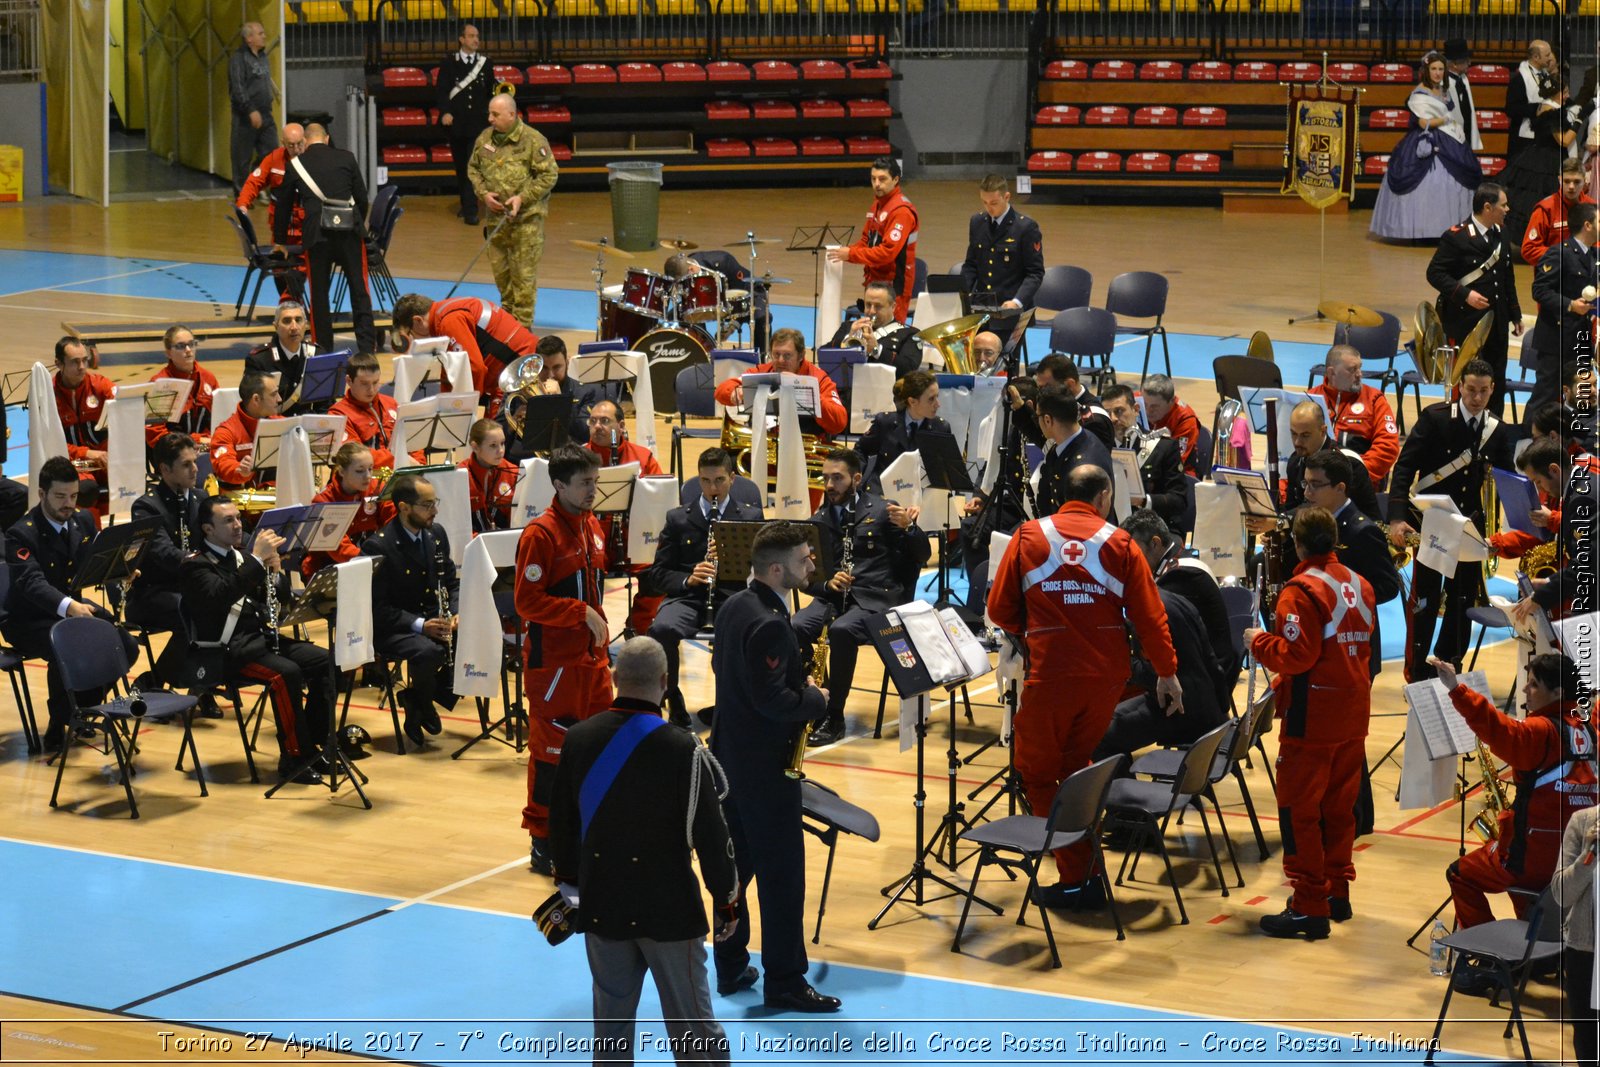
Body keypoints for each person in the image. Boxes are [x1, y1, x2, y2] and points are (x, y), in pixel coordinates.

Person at [988, 465, 1181, 909]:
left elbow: (1000, 611)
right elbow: (1151, 619)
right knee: (1078, 767)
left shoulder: (1027, 537)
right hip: (1105, 680)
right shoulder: (1121, 543)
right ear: (1104, 496)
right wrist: (1167, 673)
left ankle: (1077, 876)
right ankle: (1088, 871)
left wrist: (1036, 631)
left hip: (1052, 675)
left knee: (1035, 771)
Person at [547, 637, 737, 1065]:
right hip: (668, 910)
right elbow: (712, 836)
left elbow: (560, 828)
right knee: (694, 1030)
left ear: (614, 678)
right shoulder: (685, 748)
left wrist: (574, 893)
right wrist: (727, 902)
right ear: (666, 683)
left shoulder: (577, 739)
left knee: (611, 1030)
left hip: (603, 906)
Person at [709, 521, 838, 1013]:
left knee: (735, 871)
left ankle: (729, 965)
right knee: (783, 881)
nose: (812, 565)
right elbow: (774, 701)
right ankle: (784, 981)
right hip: (765, 770)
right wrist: (815, 699)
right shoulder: (768, 622)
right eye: (806, 559)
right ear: (779, 568)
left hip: (729, 762)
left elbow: (729, 675)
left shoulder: (734, 606)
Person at [1243, 506, 1375, 939]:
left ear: (1298, 545)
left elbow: (1298, 657)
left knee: (1300, 811)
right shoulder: (1361, 584)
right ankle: (1337, 893)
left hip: (1313, 717)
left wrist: (1259, 642)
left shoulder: (1299, 592)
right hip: (1354, 713)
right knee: (1339, 810)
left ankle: (1308, 906)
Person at [1431, 654, 1596, 954]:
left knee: (1461, 873)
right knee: (1530, 887)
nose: (1525, 691)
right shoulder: (1590, 729)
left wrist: (1457, 689)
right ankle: (1539, 950)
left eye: (1534, 685)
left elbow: (1497, 727)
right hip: (1578, 857)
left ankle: (1486, 956)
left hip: (1535, 857)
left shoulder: (1540, 732)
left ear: (1558, 693)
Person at [181, 495, 334, 783]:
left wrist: (275, 573)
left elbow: (282, 600)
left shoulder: (241, 557)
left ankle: (315, 746)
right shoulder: (195, 565)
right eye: (228, 520)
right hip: (226, 652)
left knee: (326, 663)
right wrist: (255, 560)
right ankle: (294, 757)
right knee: (285, 675)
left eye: (238, 518)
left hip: (260, 642)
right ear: (207, 529)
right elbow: (219, 596)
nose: (238, 525)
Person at [516, 445, 612, 875]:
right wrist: (579, 613)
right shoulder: (541, 535)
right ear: (559, 485)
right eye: (584, 483)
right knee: (552, 754)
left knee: (597, 748)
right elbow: (526, 601)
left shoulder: (592, 524)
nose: (593, 490)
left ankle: (587, 830)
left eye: (595, 481)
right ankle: (543, 841)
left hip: (591, 662)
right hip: (553, 667)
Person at [1386, 359, 1513, 679]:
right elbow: (1404, 469)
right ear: (1461, 387)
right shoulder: (1435, 419)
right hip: (1433, 524)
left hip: (1470, 527)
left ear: (1492, 390)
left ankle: (1448, 666)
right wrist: (1398, 518)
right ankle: (1416, 670)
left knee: (1462, 600)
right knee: (1425, 599)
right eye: (1471, 390)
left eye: (1484, 391)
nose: (1477, 398)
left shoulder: (1495, 429)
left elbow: (1508, 476)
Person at [794, 448, 930, 746]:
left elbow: (922, 554)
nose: (829, 485)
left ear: (856, 479)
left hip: (876, 598)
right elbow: (807, 578)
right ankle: (818, 701)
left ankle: (835, 716)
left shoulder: (883, 510)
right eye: (826, 478)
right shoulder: (818, 519)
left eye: (837, 478)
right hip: (833, 599)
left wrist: (910, 528)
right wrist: (827, 584)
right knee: (796, 626)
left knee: (842, 631)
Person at [2, 457, 137, 752]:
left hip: (71, 610)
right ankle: (59, 719)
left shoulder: (82, 521)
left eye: (73, 496)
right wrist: (69, 607)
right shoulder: (20, 533)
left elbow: (94, 561)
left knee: (126, 646)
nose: (68, 504)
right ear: (41, 494)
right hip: (29, 620)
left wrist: (119, 571)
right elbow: (31, 583)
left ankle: (80, 710)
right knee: (65, 647)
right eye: (60, 497)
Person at [1092, 510, 1228, 761]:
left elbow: (1161, 672)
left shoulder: (1172, 584)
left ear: (1154, 544)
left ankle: (1125, 799)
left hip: (1182, 707)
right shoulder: (1173, 589)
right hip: (1206, 698)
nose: (1125, 560)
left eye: (1130, 552)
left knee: (1098, 735)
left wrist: (1121, 664)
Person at [643, 448, 764, 728]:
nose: (713, 488)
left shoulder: (749, 516)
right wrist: (688, 579)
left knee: (735, 633)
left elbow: (764, 566)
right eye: (706, 481)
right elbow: (658, 573)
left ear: (732, 479)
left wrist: (733, 554)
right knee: (662, 629)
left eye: (720, 480)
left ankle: (728, 705)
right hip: (688, 598)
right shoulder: (677, 518)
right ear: (699, 480)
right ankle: (672, 697)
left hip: (732, 598)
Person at [362, 473, 459, 748]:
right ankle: (423, 702)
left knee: (475, 639)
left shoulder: (436, 534)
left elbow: (451, 582)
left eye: (434, 503)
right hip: (396, 627)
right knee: (429, 651)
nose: (435, 510)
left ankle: (417, 698)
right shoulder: (378, 545)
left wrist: (455, 612)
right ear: (404, 507)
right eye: (427, 505)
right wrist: (420, 624)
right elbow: (376, 608)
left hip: (433, 618)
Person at [272, 123, 375, 355]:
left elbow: (283, 206)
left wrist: (279, 240)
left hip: (316, 236)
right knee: (360, 291)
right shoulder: (347, 157)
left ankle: (324, 349)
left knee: (319, 295)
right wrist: (355, 222)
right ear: (327, 139)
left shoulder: (295, 165)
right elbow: (361, 197)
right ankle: (367, 348)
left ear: (306, 142)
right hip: (349, 234)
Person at [1299, 450, 1402, 676]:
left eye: (1315, 484)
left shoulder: (1362, 531)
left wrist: (1342, 595)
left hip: (1355, 647)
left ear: (1340, 488)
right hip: (1319, 644)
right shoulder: (1312, 519)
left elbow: (1388, 586)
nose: (1307, 492)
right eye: (1305, 483)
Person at [1426, 183, 1522, 416]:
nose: (1507, 209)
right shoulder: (1456, 236)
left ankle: (1493, 428)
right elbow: (1435, 273)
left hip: (1496, 321)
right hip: (1465, 323)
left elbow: (1506, 276)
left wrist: (1515, 313)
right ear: (1487, 207)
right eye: (1503, 205)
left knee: (1496, 379)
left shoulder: (1502, 233)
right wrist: (1464, 294)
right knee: (1466, 380)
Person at [468, 93, 559, 328]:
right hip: (496, 223)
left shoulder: (532, 140)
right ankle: (507, 329)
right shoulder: (485, 139)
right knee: (502, 279)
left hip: (526, 223)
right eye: (489, 113)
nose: (490, 119)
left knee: (523, 282)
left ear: (512, 114)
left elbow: (549, 174)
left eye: (495, 114)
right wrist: (484, 194)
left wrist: (523, 198)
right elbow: (473, 169)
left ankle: (524, 332)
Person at [1369, 53, 1482, 242]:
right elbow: (1423, 123)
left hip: (1449, 138)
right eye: (1434, 69)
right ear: (1426, 71)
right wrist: (1445, 119)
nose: (1437, 73)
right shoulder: (1419, 93)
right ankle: (1421, 229)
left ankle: (1452, 228)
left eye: (1440, 69)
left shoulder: (1443, 90)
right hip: (1427, 140)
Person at [584, 398, 663, 635]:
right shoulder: (579, 457)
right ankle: (597, 633)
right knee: (583, 576)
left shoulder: (643, 457)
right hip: (591, 539)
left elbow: (660, 500)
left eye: (605, 421)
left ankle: (638, 628)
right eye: (593, 421)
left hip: (632, 538)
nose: (597, 426)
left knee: (658, 572)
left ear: (622, 426)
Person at [127, 433, 202, 674]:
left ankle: (204, 683)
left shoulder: (201, 498)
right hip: (153, 594)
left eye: (195, 461)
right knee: (197, 611)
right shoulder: (146, 506)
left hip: (192, 585)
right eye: (186, 464)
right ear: (165, 469)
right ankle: (155, 681)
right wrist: (205, 563)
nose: (195, 469)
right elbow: (163, 553)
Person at [391, 291, 541, 400]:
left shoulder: (449, 322)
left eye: (411, 332)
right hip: (522, 363)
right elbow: (453, 368)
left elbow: (474, 368)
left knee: (489, 436)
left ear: (418, 320)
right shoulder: (446, 309)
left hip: (519, 372)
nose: (414, 338)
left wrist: (464, 408)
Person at [1514, 437, 1598, 621]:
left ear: (1554, 470)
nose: (1539, 489)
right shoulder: (1582, 485)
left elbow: (1587, 565)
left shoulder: (1584, 499)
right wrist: (1549, 582)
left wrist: (1540, 598)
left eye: (1538, 481)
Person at [1529, 201, 1598, 423]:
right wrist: (1570, 305)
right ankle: (1527, 446)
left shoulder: (1594, 256)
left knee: (1581, 397)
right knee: (1545, 397)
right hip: (1555, 339)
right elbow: (1539, 290)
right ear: (1588, 225)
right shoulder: (1559, 253)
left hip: (1581, 337)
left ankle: (1576, 445)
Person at [713, 327, 848, 439]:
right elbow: (721, 391)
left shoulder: (819, 379)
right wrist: (735, 392)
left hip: (804, 451)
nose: (780, 361)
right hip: (766, 447)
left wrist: (811, 396)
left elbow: (839, 422)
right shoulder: (762, 372)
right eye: (776, 355)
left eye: (787, 355)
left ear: (801, 356)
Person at [826, 156, 917, 321]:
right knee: (872, 333)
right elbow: (865, 242)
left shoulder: (901, 212)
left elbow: (886, 253)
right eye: (873, 179)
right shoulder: (877, 204)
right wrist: (844, 252)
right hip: (874, 282)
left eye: (882, 179)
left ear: (896, 179)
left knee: (889, 335)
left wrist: (851, 255)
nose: (876, 184)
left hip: (893, 287)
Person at [1501, 76, 1579, 251]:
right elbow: (1564, 141)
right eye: (1564, 92)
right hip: (1547, 162)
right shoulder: (1552, 112)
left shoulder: (1546, 107)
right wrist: (1579, 121)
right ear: (1556, 93)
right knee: (1544, 199)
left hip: (1538, 157)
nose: (1567, 95)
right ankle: (1540, 242)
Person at [1307, 344, 1401, 484]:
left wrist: (1354, 474)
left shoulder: (1374, 399)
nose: (1359, 374)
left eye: (1360, 367)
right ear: (1332, 372)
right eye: (1352, 369)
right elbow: (1293, 447)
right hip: (1315, 484)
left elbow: (1388, 447)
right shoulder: (1310, 399)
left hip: (1358, 484)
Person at [1549, 801, 1598, 1066]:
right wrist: (1589, 855)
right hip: (1585, 952)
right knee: (1589, 1044)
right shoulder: (1582, 822)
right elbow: (1561, 895)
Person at [235, 122, 308, 300]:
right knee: (279, 269)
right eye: (291, 145)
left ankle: (289, 304)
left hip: (304, 230)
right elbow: (254, 181)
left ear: (305, 141)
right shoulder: (274, 159)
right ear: (283, 143)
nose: (297, 149)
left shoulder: (313, 161)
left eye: (300, 144)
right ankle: (289, 304)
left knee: (301, 269)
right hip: (280, 231)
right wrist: (243, 204)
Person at [1101, 383, 1187, 531]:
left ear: (1135, 410)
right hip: (1109, 529)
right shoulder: (1100, 448)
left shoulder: (1163, 447)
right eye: (1107, 413)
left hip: (1150, 531)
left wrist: (1144, 501)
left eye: (1119, 411)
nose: (1113, 418)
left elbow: (1179, 501)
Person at [1279, 401, 1382, 519]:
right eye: (1294, 434)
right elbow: (1292, 506)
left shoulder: (1347, 463)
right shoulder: (1295, 461)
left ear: (1323, 431)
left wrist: (1282, 521)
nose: (1297, 442)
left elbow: (1325, 509)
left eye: (1305, 435)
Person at [303, 442, 392, 578]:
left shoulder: (377, 488)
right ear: (342, 471)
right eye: (360, 471)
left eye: (371, 469)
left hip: (370, 560)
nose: (368, 476)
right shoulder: (324, 501)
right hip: (329, 567)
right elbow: (338, 549)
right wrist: (370, 561)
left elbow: (392, 522)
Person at [960, 173, 1044, 312]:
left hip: (1011, 308)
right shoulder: (977, 222)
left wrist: (1017, 302)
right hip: (981, 307)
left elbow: (1035, 273)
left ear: (1006, 197)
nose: (989, 208)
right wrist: (963, 294)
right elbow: (971, 265)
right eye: (984, 202)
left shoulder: (1025, 227)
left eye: (993, 203)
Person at [854, 370, 949, 492]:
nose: (938, 404)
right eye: (931, 399)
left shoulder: (941, 428)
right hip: (882, 492)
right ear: (912, 401)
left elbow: (944, 473)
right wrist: (856, 473)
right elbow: (861, 449)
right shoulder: (885, 422)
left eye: (937, 397)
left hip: (919, 496)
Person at [436, 23, 493, 226]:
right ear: (461, 39)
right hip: (457, 124)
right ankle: (465, 203)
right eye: (471, 36)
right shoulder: (450, 63)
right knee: (461, 167)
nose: (476, 40)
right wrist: (445, 112)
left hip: (477, 124)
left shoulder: (486, 63)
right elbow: (442, 90)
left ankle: (471, 211)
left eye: (477, 36)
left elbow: (490, 92)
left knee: (471, 166)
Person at [51, 335, 114, 508]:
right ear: (59, 363)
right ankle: (91, 533)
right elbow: (49, 444)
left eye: (85, 360)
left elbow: (125, 420)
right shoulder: (48, 396)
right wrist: (85, 452)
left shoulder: (101, 386)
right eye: (74, 362)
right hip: (72, 464)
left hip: (104, 460)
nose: (81, 367)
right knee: (86, 489)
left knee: (133, 479)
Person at [1032, 385, 1113, 519]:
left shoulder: (1084, 466)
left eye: (1037, 417)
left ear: (1047, 420)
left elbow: (1082, 521)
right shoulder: (1068, 443)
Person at [331, 351, 412, 470]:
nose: (371, 390)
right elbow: (356, 457)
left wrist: (418, 465)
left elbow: (411, 441)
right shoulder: (338, 414)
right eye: (364, 383)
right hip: (364, 481)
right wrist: (399, 459)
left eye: (375, 382)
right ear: (349, 381)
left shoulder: (392, 404)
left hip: (400, 472)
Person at [827, 281, 921, 378]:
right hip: (849, 390)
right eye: (868, 305)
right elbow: (824, 355)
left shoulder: (910, 334)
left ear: (893, 307)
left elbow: (910, 370)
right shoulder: (848, 327)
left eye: (878, 306)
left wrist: (876, 350)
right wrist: (847, 337)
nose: (871, 311)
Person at [209, 371, 284, 491]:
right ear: (256, 399)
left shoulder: (281, 424)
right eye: (273, 394)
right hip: (242, 506)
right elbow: (223, 464)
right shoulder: (225, 432)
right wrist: (240, 470)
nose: (279, 399)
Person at [148, 325, 219, 445]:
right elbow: (155, 433)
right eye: (180, 346)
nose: (188, 349)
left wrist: (207, 441)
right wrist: (194, 442)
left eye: (191, 344)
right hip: (172, 450)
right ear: (168, 353)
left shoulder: (208, 378)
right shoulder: (160, 383)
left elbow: (219, 419)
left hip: (205, 445)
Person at [228, 21, 277, 193]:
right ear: (249, 38)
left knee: (272, 154)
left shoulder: (263, 56)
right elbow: (238, 87)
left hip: (265, 114)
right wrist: (250, 110)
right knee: (242, 159)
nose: (264, 36)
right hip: (245, 116)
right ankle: (241, 195)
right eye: (260, 33)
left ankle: (255, 182)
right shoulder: (238, 58)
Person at [246, 300, 317, 409]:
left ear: (306, 325)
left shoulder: (316, 355)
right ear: (276, 326)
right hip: (274, 423)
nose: (294, 327)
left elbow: (326, 404)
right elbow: (253, 407)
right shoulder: (259, 361)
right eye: (287, 321)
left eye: (298, 320)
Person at [1520, 158, 1593, 265]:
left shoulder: (1593, 208)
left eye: (1577, 181)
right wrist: (1563, 255)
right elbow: (1529, 250)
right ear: (1559, 179)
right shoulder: (1545, 209)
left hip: (1586, 275)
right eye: (1566, 181)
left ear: (1585, 180)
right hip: (1554, 275)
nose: (1571, 187)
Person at [1505, 39, 1559, 162]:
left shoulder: (1546, 76)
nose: (1551, 58)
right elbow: (1511, 109)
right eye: (1547, 55)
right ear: (1535, 57)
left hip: (1543, 135)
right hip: (1524, 138)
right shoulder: (1519, 79)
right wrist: (1538, 108)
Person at [462, 418, 520, 533]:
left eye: (502, 443)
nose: (501, 450)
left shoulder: (514, 472)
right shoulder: (461, 475)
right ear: (475, 447)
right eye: (493, 445)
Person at [1139, 374, 1201, 474]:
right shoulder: (1137, 401)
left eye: (1155, 406)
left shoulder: (1185, 420)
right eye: (1145, 404)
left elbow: (1175, 461)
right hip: (1143, 465)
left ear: (1171, 401)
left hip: (1176, 475)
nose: (1148, 411)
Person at [1443, 38, 1483, 152]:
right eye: (1466, 60)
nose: (1470, 63)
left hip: (1465, 139)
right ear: (1455, 64)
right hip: (1450, 141)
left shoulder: (1463, 79)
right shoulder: (1442, 83)